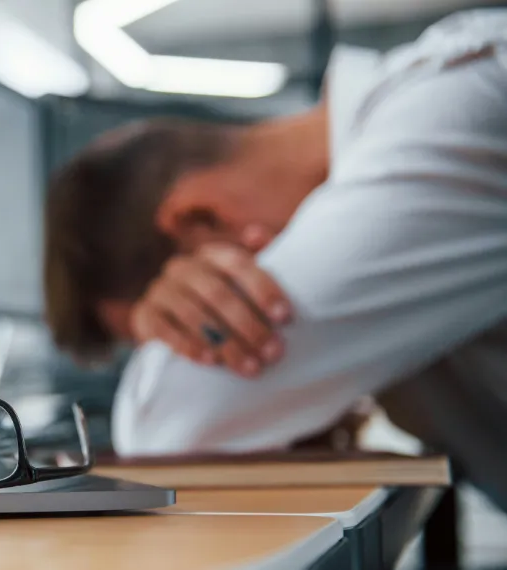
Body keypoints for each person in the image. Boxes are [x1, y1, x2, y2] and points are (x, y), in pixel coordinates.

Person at [43, 10, 507, 510]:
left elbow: (170, 427)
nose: (196, 341)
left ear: (198, 220)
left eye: (183, 321)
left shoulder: (450, 112)